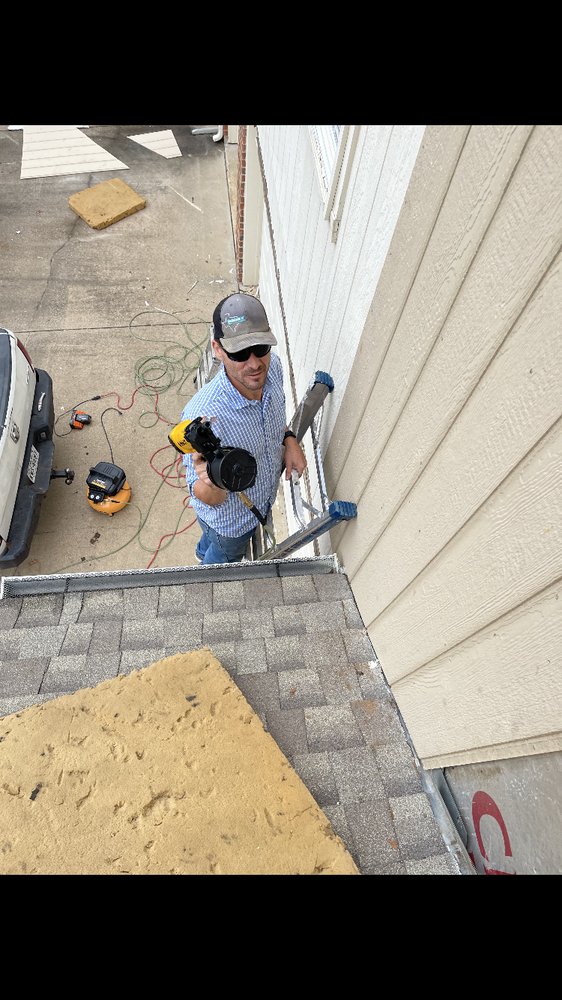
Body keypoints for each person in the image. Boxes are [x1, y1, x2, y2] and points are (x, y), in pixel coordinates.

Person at [179, 292, 307, 564]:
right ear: (217, 349)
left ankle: (203, 549)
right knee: (222, 555)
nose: (254, 364)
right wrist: (211, 480)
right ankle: (207, 571)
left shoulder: (274, 370)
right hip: (232, 524)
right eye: (238, 353)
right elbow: (202, 496)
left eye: (260, 348)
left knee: (208, 541)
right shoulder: (201, 417)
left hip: (260, 502)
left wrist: (290, 439)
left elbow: (276, 418)